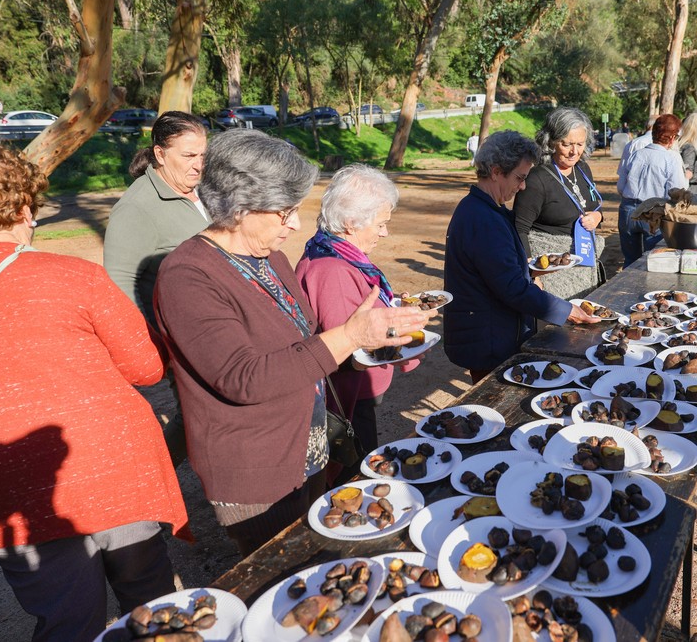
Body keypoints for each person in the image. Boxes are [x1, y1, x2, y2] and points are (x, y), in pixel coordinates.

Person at [153, 129, 432, 555]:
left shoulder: (272, 258)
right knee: (284, 577)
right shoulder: (187, 275)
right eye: (285, 211)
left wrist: (361, 349)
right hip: (258, 472)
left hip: (311, 447)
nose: (297, 224)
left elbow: (304, 347)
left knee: (324, 556)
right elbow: (243, 378)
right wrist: (350, 335)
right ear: (240, 205)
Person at [0, 143, 188, 641]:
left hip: (10, 484)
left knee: (67, 617)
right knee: (151, 598)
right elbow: (146, 367)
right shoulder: (74, 276)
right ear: (25, 210)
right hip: (113, 466)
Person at [444, 130, 600, 383]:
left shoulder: (488, 209)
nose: (523, 186)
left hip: (495, 332)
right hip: (489, 339)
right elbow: (511, 287)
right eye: (519, 177)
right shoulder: (482, 219)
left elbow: (499, 269)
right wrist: (567, 310)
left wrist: (530, 271)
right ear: (496, 172)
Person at [297, 164, 420, 473]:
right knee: (356, 472)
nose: (385, 232)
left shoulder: (334, 252)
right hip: (349, 399)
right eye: (381, 223)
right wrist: (402, 331)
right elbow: (352, 349)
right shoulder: (333, 270)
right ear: (351, 222)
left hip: (354, 392)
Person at [103, 110, 209, 466]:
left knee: (210, 415)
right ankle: (149, 477)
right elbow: (120, 283)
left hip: (214, 327)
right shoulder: (135, 209)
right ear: (160, 154)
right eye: (188, 156)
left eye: (202, 155)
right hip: (180, 338)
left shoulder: (201, 191)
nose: (198, 165)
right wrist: (156, 343)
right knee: (199, 417)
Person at [512, 107, 605, 300]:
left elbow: (593, 206)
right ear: (551, 142)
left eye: (580, 144)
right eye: (567, 144)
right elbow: (519, 229)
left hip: (584, 267)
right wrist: (532, 274)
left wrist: (598, 216)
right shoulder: (537, 179)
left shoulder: (583, 169)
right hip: (552, 275)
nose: (574, 151)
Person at [615, 113, 688, 265]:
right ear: (673, 138)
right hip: (653, 213)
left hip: (628, 209)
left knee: (629, 260)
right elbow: (677, 192)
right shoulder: (671, 159)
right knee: (653, 261)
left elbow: (621, 186)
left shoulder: (635, 154)